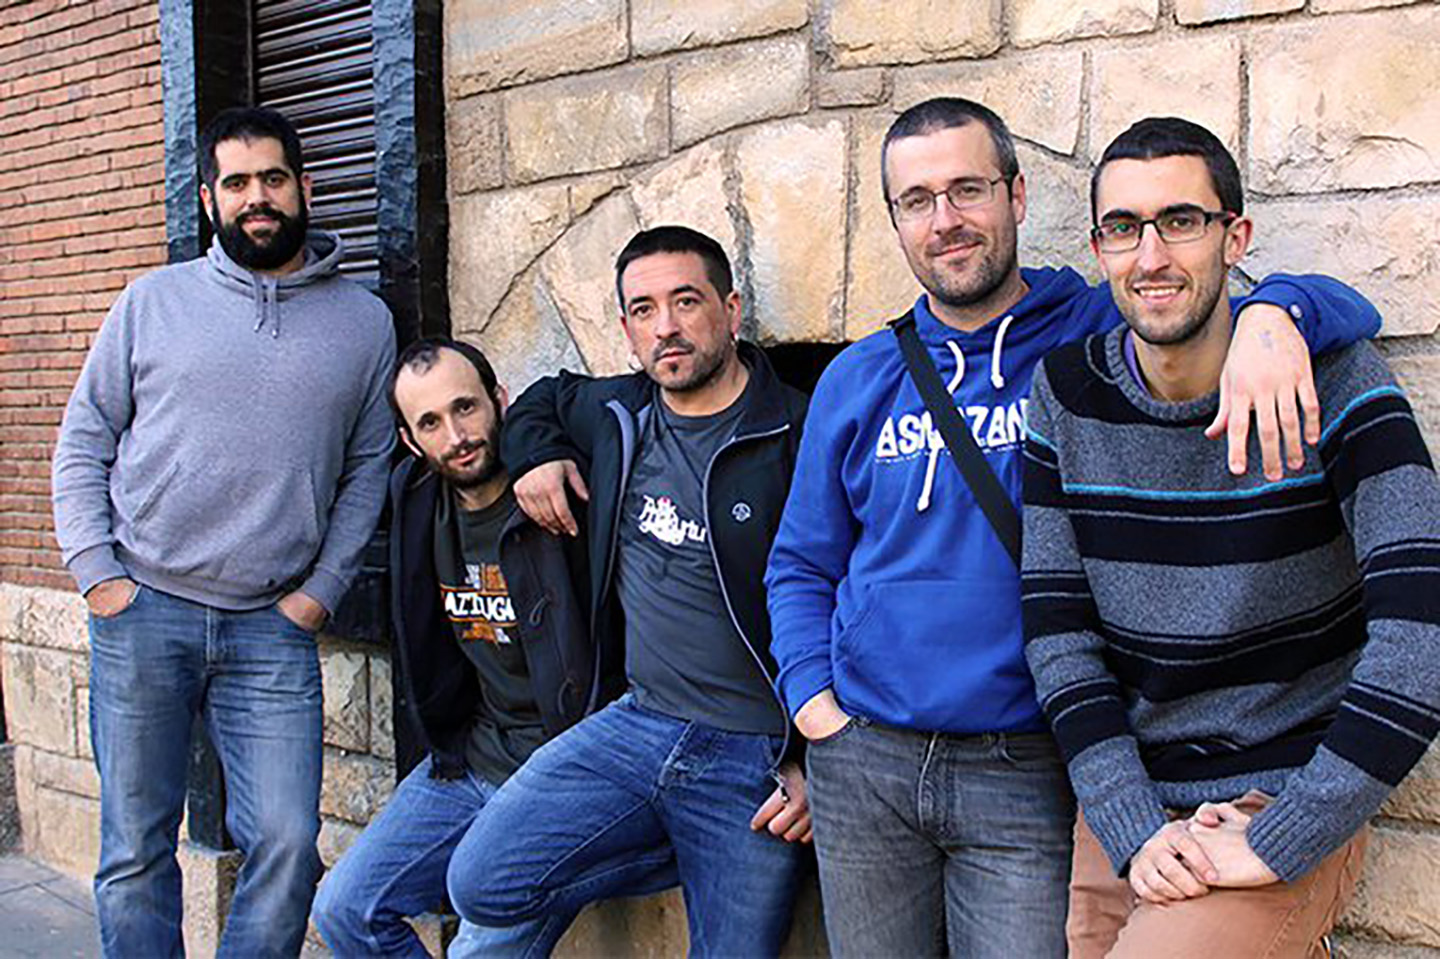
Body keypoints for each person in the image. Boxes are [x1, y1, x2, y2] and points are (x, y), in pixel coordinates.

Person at [764, 97, 1382, 958]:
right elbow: (801, 561)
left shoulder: (1096, 330)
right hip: (865, 759)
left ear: (1017, 196)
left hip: (1027, 762)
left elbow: (1302, 303)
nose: (946, 221)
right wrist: (814, 707)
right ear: (896, 219)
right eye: (917, 200)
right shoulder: (856, 375)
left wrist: (1280, 313)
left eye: (969, 189)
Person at [1020, 116, 1440, 959]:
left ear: (1234, 236)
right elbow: (1060, 636)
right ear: (1098, 249)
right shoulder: (1066, 394)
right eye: (1123, 228)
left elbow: (1422, 624)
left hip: (1278, 795)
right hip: (1133, 804)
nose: (1151, 256)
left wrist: (1288, 832)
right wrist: (1132, 822)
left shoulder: (1335, 378)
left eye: (1180, 221)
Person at [51, 106, 396, 958]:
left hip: (270, 628)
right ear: (209, 200)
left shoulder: (365, 322)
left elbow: (367, 471)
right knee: (135, 848)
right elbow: (84, 437)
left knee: (287, 843)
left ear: (305, 187)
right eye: (236, 183)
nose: (256, 198)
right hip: (143, 608)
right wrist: (99, 575)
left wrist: (319, 594)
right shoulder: (151, 302)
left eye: (272, 178)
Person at [444, 225, 813, 956]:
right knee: (479, 880)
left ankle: (708, 841)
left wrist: (815, 761)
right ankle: (683, 842)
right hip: (636, 724)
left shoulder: (797, 430)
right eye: (644, 310)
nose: (665, 326)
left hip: (757, 755)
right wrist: (538, 458)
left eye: (686, 301)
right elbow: (541, 399)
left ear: (731, 310)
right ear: (626, 329)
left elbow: (846, 601)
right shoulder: (619, 414)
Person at [312, 338, 601, 956]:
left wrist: (544, 451)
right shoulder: (417, 496)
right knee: (345, 910)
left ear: (500, 401)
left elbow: (595, 402)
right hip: (471, 759)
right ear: (411, 441)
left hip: (558, 775)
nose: (456, 436)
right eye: (430, 423)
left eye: (466, 408)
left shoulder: (558, 488)